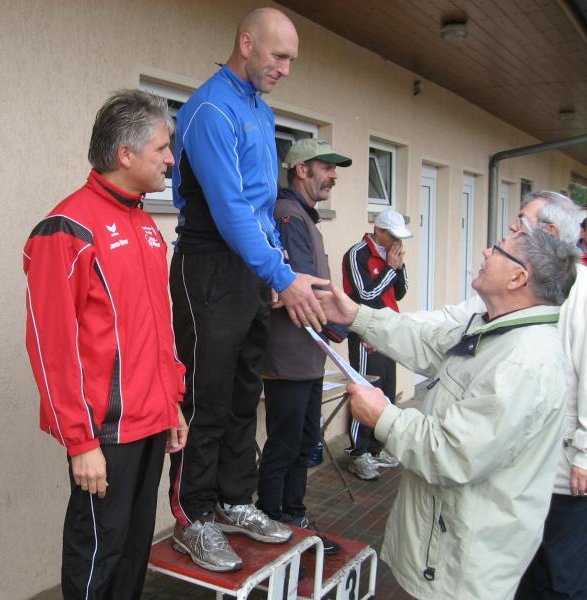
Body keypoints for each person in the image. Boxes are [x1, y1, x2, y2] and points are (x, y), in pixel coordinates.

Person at [318, 225, 579, 600]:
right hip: (445, 543)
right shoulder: (494, 329)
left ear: (518, 277)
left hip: (462, 561)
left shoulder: (523, 362)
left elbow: (453, 452)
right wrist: (356, 315)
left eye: (498, 249)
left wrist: (384, 417)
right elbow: (427, 342)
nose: (486, 252)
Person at [168, 7, 329, 572]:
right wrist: (282, 276)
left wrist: (276, 266)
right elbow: (231, 209)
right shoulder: (211, 108)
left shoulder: (261, 110)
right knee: (205, 399)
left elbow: (261, 208)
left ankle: (234, 499)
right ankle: (193, 516)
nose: (285, 68)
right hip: (209, 267)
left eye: (291, 60)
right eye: (278, 56)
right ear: (245, 44)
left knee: (242, 394)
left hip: (250, 272)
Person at [23, 90, 188, 600]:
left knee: (134, 550)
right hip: (105, 433)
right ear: (125, 154)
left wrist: (172, 403)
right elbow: (51, 349)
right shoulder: (66, 228)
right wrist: (81, 442)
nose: (170, 159)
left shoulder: (146, 224)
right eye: (162, 148)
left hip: (152, 421)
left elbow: (158, 327)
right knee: (98, 552)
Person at [407, 191, 587, 599]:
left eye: (520, 222)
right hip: (518, 463)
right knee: (523, 562)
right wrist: (374, 321)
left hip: (564, 472)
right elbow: (449, 322)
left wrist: (583, 455)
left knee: (560, 573)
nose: (509, 228)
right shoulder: (511, 292)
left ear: (549, 232)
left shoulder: (580, 297)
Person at [256, 139, 352, 556]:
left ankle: (293, 517)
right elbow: (303, 286)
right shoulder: (289, 215)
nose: (333, 176)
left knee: (303, 441)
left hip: (307, 357)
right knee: (285, 444)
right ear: (301, 169)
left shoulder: (302, 216)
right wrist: (347, 325)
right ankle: (274, 520)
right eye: (327, 167)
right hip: (288, 358)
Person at [342, 208, 410, 480]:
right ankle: (358, 453)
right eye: (392, 235)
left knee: (385, 391)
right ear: (378, 231)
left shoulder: (392, 255)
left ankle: (376, 448)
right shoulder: (356, 254)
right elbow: (365, 295)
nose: (397, 241)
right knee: (365, 389)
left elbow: (400, 293)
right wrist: (390, 269)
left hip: (389, 330)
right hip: (365, 332)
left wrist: (398, 268)